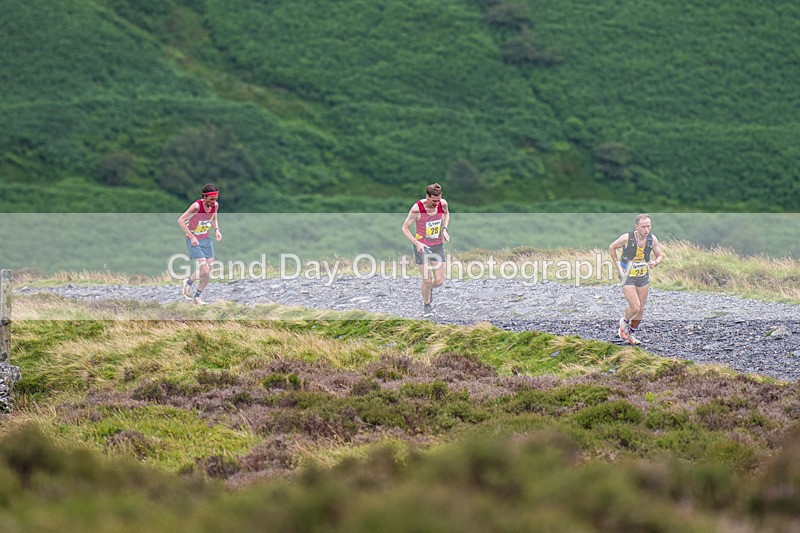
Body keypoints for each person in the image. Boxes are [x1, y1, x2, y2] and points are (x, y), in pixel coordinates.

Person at [608, 213, 664, 345]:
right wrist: (618, 266)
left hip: (642, 275)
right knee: (635, 306)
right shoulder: (627, 238)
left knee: (642, 308)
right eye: (643, 227)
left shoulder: (652, 239)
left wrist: (655, 262)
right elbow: (612, 247)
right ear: (637, 226)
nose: (646, 230)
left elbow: (660, 255)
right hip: (627, 275)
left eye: (648, 226)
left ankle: (630, 335)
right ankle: (624, 322)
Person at [401, 183, 450, 318]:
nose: (436, 203)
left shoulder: (443, 204)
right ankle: (427, 305)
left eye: (438, 200)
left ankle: (427, 290)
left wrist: (444, 229)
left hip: (437, 245)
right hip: (422, 247)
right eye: (433, 201)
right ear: (427, 197)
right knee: (427, 280)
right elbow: (404, 228)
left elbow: (446, 214)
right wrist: (417, 243)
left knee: (439, 281)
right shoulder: (417, 209)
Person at [178, 183, 222, 305]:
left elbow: (214, 218)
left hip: (206, 239)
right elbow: (181, 220)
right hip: (194, 239)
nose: (214, 202)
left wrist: (217, 230)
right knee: (204, 269)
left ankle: (197, 297)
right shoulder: (196, 206)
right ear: (205, 197)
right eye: (211, 199)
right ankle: (188, 282)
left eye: (215, 199)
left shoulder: (215, 205)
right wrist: (191, 236)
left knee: (210, 271)